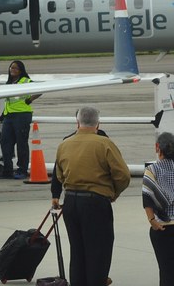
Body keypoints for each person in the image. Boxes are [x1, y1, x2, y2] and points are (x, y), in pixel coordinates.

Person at [51, 106, 131, 286]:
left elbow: (59, 175)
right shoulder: (104, 143)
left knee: (77, 251)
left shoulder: (64, 144)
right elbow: (123, 176)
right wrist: (113, 193)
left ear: (77, 123)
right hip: (95, 202)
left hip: (71, 202)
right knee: (98, 252)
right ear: (98, 124)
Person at [0, 60, 40, 180]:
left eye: (15, 68)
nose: (12, 70)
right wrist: (3, 114)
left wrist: (29, 100)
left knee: (21, 143)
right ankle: (7, 170)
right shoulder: (9, 83)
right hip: (9, 116)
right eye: (11, 68)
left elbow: (40, 90)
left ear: (21, 71)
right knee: (5, 142)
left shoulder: (25, 81)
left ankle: (22, 170)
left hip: (22, 115)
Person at [143, 132, 174, 285]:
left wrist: (152, 221)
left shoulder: (152, 170)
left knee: (166, 271)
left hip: (162, 227)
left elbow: (147, 198)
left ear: (157, 148)